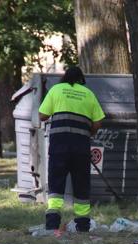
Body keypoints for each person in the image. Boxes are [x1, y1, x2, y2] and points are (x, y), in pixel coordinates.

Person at [38, 66, 105, 232]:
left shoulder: (56, 90)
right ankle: (83, 226)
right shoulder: (88, 94)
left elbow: (42, 115)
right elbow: (97, 123)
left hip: (59, 146)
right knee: (81, 185)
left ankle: (52, 224)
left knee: (56, 183)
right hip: (80, 147)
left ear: (65, 77)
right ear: (81, 80)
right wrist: (89, 132)